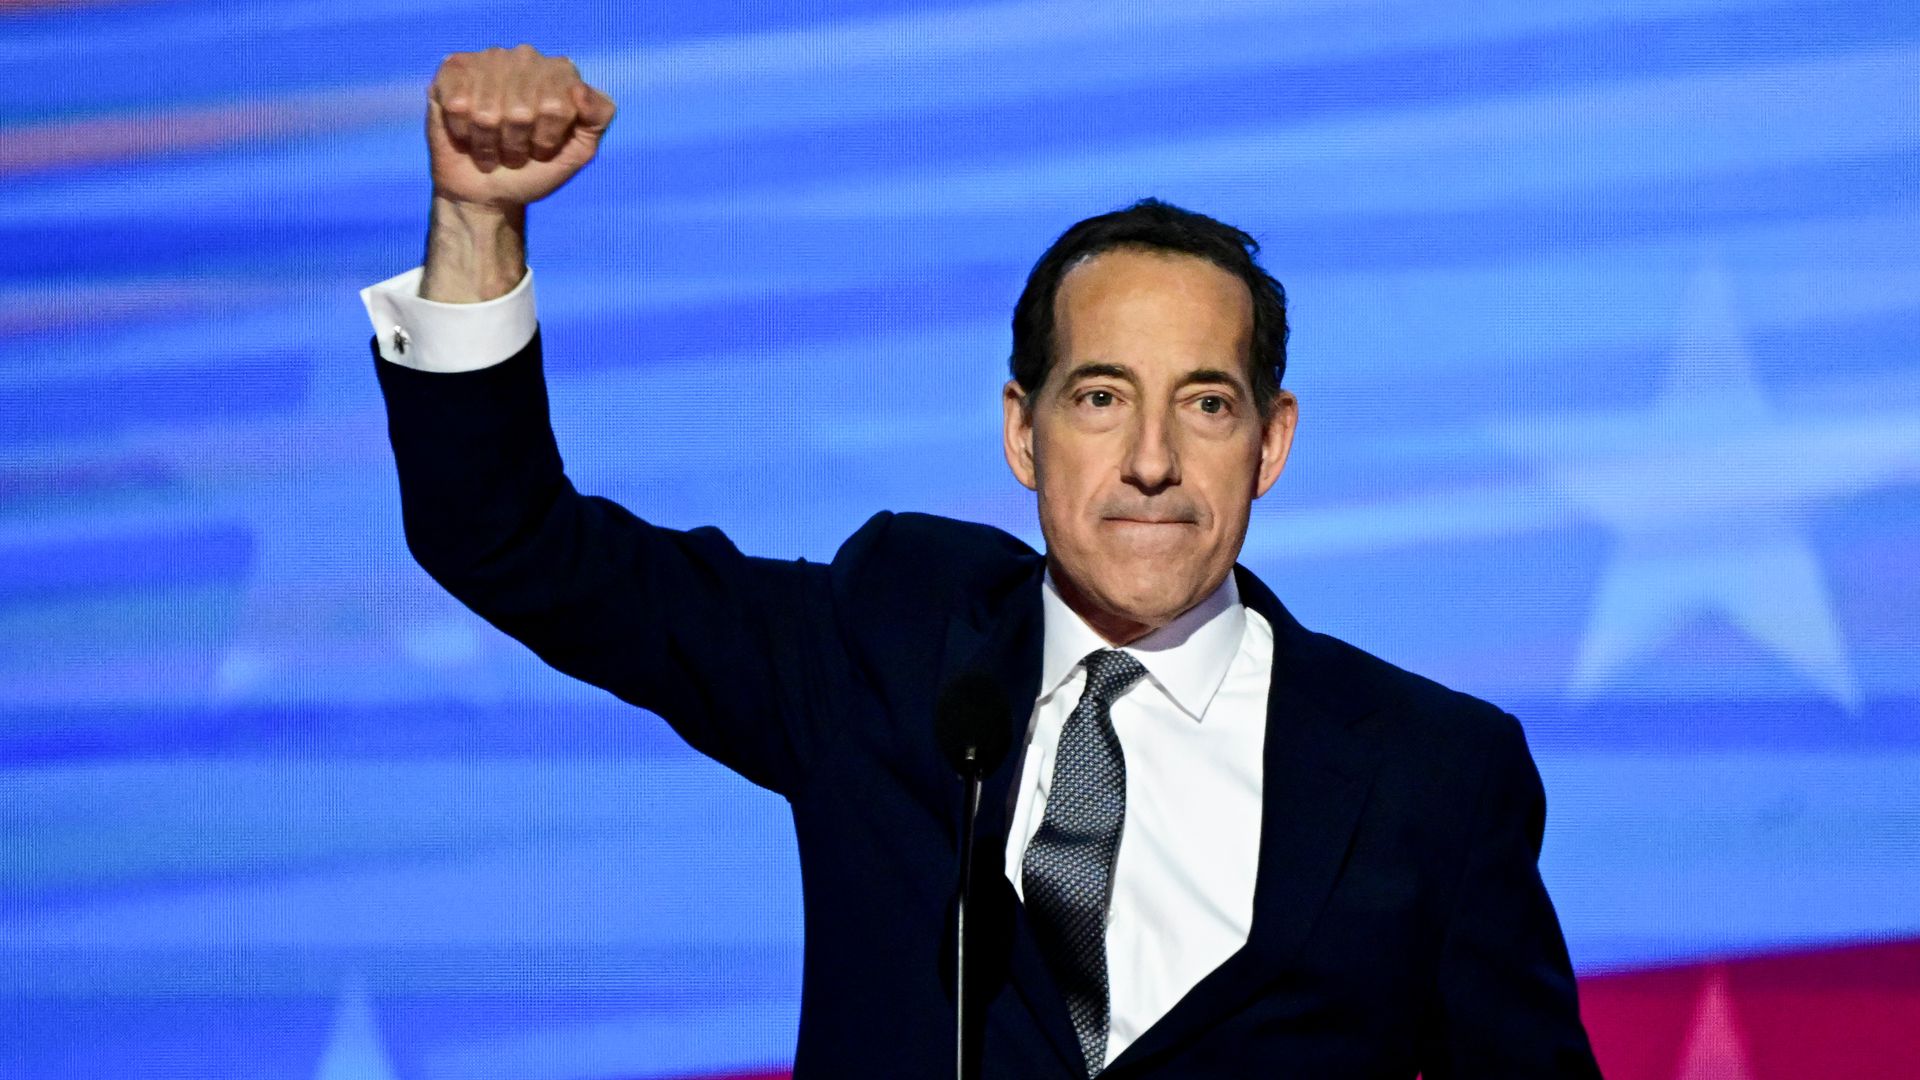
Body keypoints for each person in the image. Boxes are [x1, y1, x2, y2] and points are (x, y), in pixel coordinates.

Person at [360, 44, 1603, 1079]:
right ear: (1023, 430)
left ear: (1272, 441)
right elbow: (510, 539)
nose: (1153, 460)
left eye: (1208, 405)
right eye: (1103, 397)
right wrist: (478, 222)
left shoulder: (1433, 773)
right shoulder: (885, 653)